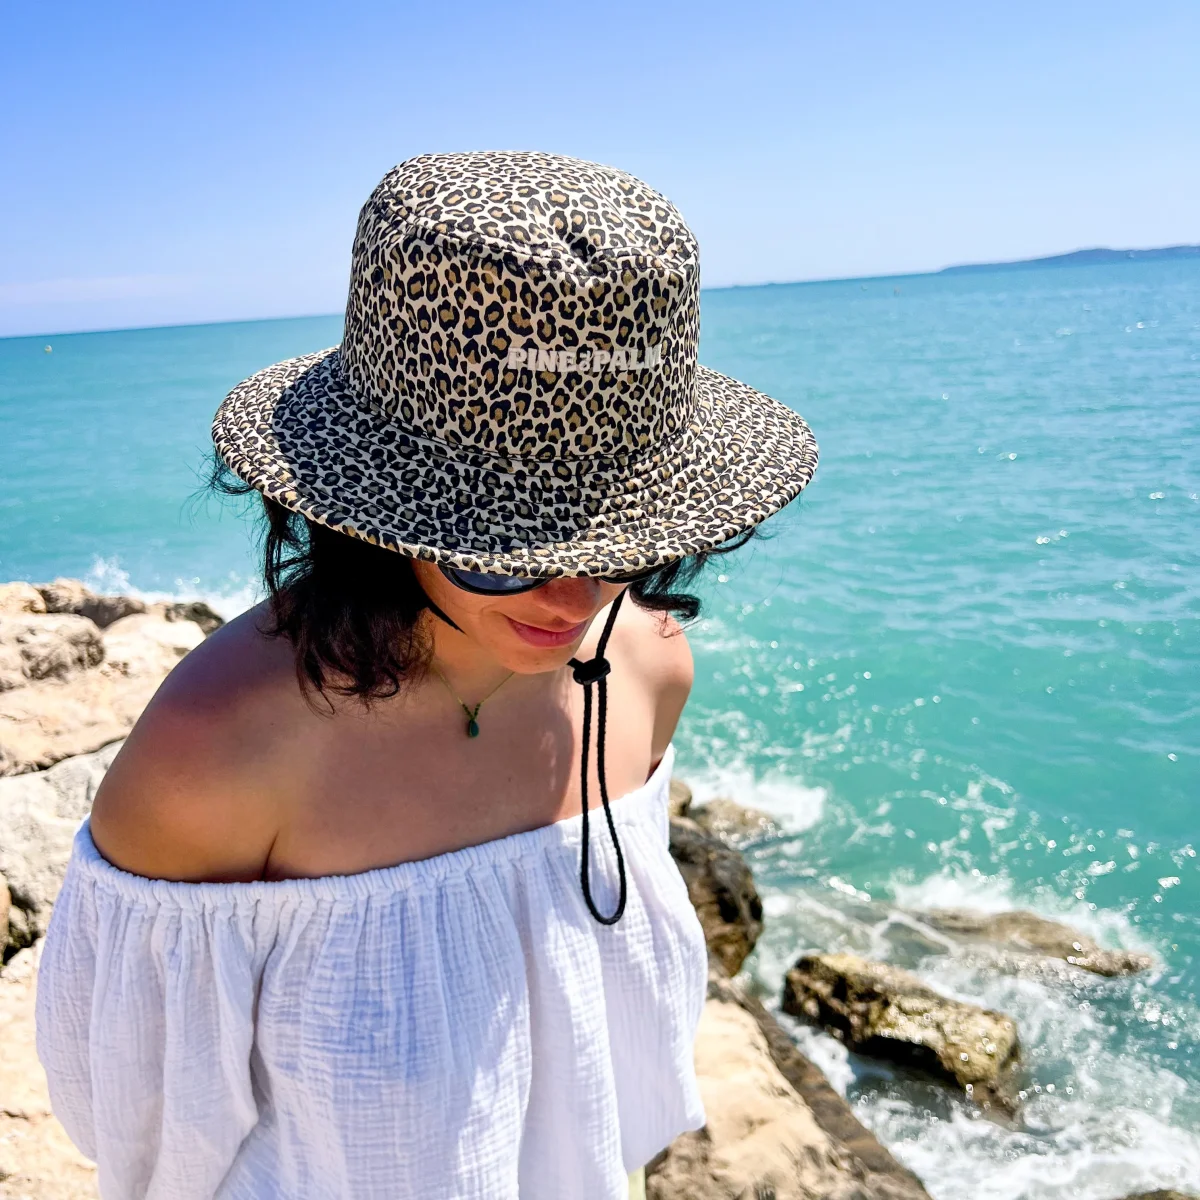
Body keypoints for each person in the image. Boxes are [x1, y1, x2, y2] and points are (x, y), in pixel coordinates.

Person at [35, 150, 818, 1199]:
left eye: (620, 540)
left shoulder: (649, 667)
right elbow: (138, 1131)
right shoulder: (221, 749)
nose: (573, 598)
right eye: (501, 544)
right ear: (375, 519)